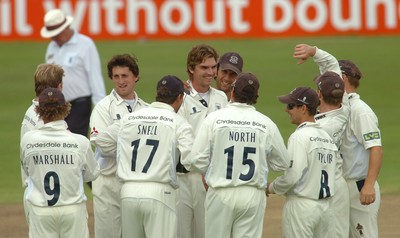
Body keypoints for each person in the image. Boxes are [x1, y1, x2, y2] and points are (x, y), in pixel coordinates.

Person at [182, 73, 289, 238]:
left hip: (220, 191)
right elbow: (282, 163)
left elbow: (195, 160)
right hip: (252, 194)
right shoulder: (266, 123)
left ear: (233, 92)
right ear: (256, 97)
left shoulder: (214, 119)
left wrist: (213, 168)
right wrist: (261, 160)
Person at [94, 75, 194, 238]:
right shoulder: (178, 122)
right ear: (180, 97)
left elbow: (102, 141)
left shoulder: (129, 119)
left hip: (128, 192)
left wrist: (127, 152)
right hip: (160, 192)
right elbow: (191, 160)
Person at [20, 88, 100, 238]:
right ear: (65, 109)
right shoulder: (80, 142)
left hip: (41, 210)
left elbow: (27, 168)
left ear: (38, 111)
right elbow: (92, 174)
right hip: (72, 210)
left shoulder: (28, 140)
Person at [293, 44, 350, 237]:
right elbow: (332, 64)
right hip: (337, 184)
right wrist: (314, 52)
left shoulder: (316, 128)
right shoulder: (344, 107)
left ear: (318, 95)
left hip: (320, 186)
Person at [89, 54, 148, 238]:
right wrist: (137, 149)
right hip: (108, 183)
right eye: (116, 76)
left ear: (135, 77)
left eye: (125, 76)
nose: (121, 81)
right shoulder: (103, 107)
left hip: (135, 184)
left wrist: (121, 140)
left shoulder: (146, 109)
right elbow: (102, 146)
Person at [267, 86, 339, 238]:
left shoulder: (299, 137)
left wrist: (271, 187)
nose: (287, 110)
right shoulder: (326, 138)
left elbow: (292, 177)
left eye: (290, 106)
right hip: (325, 209)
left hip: (302, 208)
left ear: (303, 108)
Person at [176, 43, 228, 238]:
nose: (210, 72)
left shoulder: (222, 98)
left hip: (211, 178)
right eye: (204, 67)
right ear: (191, 68)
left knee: (208, 233)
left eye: (213, 67)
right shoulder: (181, 97)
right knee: (181, 233)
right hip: (183, 177)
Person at [40, 8, 106, 137]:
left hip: (79, 104)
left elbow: (95, 76)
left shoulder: (85, 44)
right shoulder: (51, 47)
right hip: (56, 105)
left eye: (56, 34)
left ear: (66, 28)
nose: (54, 38)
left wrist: (101, 108)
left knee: (74, 143)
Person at [339, 59, 382, 238]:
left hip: (359, 186)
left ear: (343, 79)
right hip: (342, 187)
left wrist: (369, 185)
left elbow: (375, 148)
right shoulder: (341, 109)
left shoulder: (360, 111)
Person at [20, 63, 64, 225]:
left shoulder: (31, 111)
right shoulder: (47, 118)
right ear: (59, 87)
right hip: (48, 197)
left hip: (34, 192)